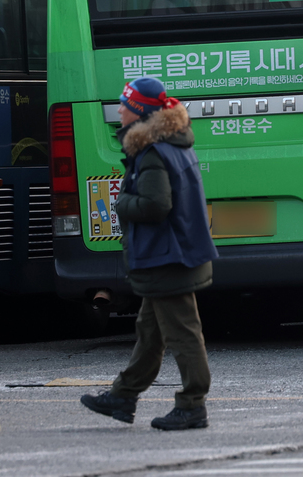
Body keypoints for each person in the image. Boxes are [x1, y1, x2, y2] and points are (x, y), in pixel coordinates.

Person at [81, 77, 218, 431]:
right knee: (149, 331)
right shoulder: (169, 144)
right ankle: (123, 395)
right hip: (169, 256)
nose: (119, 110)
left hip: (168, 258)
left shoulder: (154, 151)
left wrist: (122, 202)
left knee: (183, 333)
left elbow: (156, 205)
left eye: (125, 105)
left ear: (140, 112)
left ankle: (192, 405)